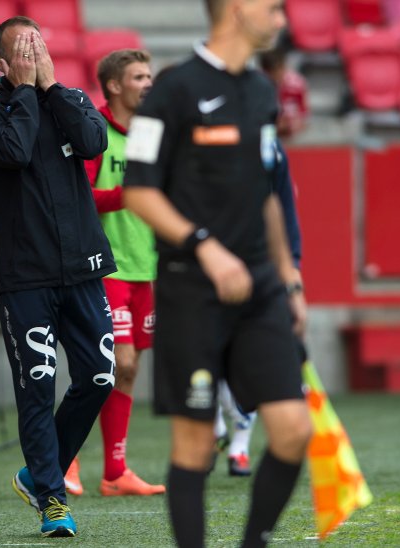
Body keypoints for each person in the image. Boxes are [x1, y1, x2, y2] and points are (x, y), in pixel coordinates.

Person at [122, 0, 312, 545]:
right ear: (236, 8)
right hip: (191, 291)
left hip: (260, 289)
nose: (282, 19)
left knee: (293, 431)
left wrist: (288, 276)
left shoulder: (261, 93)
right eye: (273, 8)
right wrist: (205, 247)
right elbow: (138, 189)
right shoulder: (173, 90)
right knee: (195, 447)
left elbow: (269, 197)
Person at [0, 17, 116, 537]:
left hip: (83, 269)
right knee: (37, 385)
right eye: (22, 51)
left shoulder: (65, 98)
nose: (34, 55)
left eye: (40, 47)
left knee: (100, 376)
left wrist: (50, 86)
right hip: (26, 276)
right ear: (2, 64)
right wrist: (26, 90)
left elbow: (94, 141)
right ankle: (52, 498)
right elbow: (13, 151)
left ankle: (37, 473)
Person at [62, 48, 165, 498]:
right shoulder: (94, 132)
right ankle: (65, 459)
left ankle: (116, 472)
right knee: (110, 364)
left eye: (150, 75)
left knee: (129, 370)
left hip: (146, 267)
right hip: (107, 269)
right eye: (139, 77)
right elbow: (79, 197)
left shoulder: (149, 134)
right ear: (115, 85)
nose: (148, 83)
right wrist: (128, 194)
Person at [213, 137, 304, 477]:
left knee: (249, 357)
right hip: (209, 266)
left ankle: (239, 445)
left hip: (260, 267)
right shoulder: (195, 136)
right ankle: (216, 426)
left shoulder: (271, 147)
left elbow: (282, 207)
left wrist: (291, 268)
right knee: (214, 355)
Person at [258, 48, 309, 139]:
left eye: (280, 70)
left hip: (291, 136)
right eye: (273, 73)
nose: (277, 76)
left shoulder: (297, 84)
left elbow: (304, 116)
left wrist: (291, 124)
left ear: (284, 66)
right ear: (265, 71)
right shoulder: (256, 86)